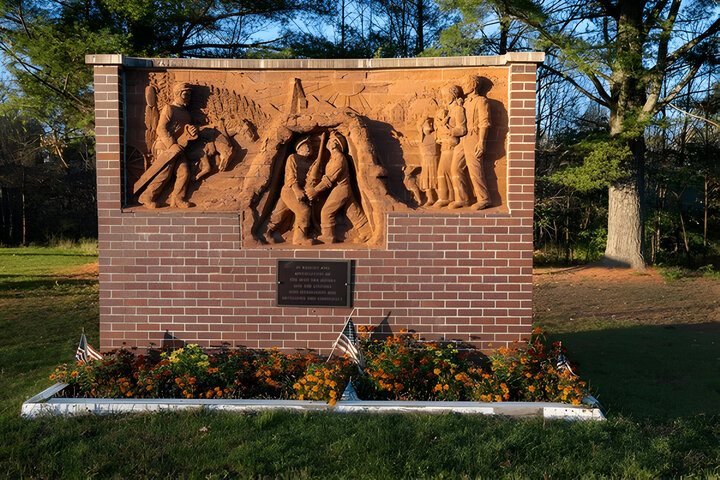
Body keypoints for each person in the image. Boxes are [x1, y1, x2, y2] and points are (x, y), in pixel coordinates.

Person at [138, 82, 198, 208]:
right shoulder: (169, 109)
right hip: (164, 146)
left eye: (189, 95)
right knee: (164, 173)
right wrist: (171, 144)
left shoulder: (186, 114)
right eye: (185, 94)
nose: (188, 97)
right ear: (177, 94)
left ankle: (177, 199)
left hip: (179, 147)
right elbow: (161, 129)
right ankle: (147, 197)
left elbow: (184, 130)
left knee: (184, 172)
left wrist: (192, 131)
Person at [306, 131, 371, 244]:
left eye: (331, 141)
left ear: (335, 144)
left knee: (326, 211)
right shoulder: (332, 158)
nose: (329, 142)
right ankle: (366, 232)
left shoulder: (339, 158)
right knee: (353, 211)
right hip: (340, 188)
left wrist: (315, 190)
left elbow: (330, 178)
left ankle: (328, 236)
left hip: (341, 188)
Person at [264, 136, 317, 246]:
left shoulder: (311, 163)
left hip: (302, 191)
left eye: (310, 146)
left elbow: (311, 180)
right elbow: (290, 176)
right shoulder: (293, 158)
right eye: (306, 146)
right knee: (304, 211)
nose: (309, 148)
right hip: (290, 190)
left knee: (279, 213)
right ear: (299, 149)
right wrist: (297, 190)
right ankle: (299, 238)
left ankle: (266, 232)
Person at [434, 85, 470, 208]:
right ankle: (447, 197)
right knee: (444, 172)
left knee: (447, 171)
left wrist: (450, 131)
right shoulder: (448, 110)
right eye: (443, 96)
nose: (444, 98)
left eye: (446, 95)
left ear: (453, 95)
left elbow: (462, 128)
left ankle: (459, 198)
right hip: (445, 143)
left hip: (453, 145)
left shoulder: (458, 110)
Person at [462, 75, 492, 210]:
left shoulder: (481, 101)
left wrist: (481, 142)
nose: (463, 86)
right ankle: (463, 199)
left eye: (465, 83)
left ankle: (484, 198)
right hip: (461, 139)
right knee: (455, 168)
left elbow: (484, 123)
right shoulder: (464, 102)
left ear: (473, 85)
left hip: (473, 138)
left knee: (475, 169)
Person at [417, 116, 440, 206]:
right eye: (428, 123)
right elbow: (409, 142)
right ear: (422, 126)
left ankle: (440, 197)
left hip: (434, 160)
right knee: (426, 180)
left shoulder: (435, 135)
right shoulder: (420, 138)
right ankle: (430, 199)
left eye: (431, 123)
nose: (430, 124)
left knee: (437, 180)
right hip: (425, 162)